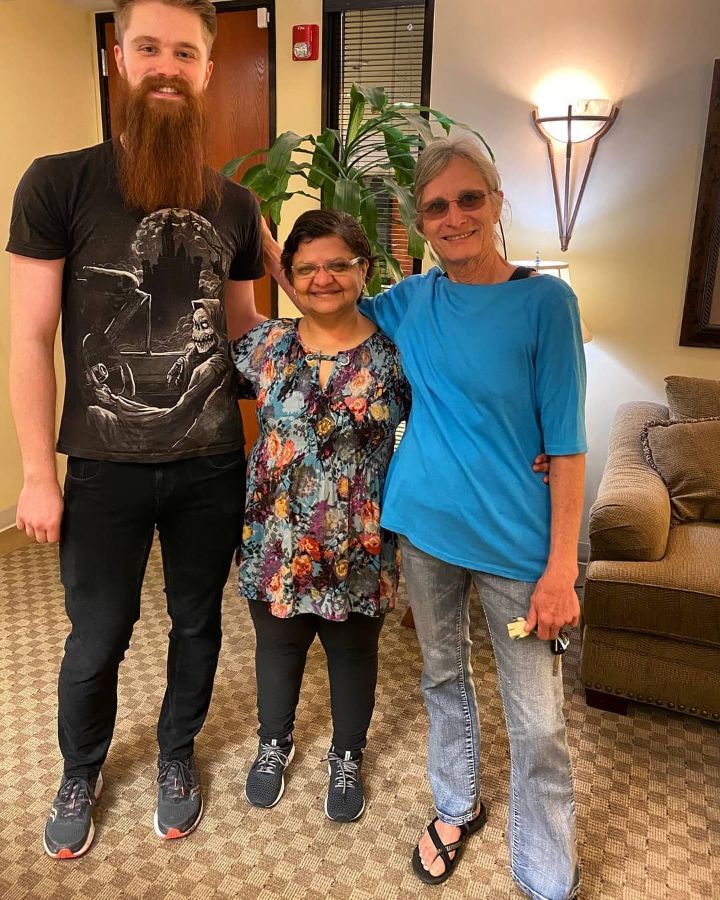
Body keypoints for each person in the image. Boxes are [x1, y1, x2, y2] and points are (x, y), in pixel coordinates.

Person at [7, 0, 264, 859]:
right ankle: (79, 770)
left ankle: (176, 758)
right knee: (97, 634)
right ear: (119, 57)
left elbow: (248, 339)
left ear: (204, 71)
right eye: (147, 46)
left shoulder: (232, 205)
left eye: (183, 52)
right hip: (102, 469)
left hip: (210, 467)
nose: (165, 65)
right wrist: (37, 474)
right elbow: (31, 337)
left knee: (197, 624)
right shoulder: (58, 181)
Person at [357, 136, 586, 899]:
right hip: (424, 527)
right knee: (441, 677)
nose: (453, 216)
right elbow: (323, 294)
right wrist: (255, 233)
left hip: (518, 548)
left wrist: (562, 570)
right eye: (436, 206)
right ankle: (456, 806)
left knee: (540, 721)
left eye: (468, 199)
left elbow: (568, 443)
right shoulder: (413, 300)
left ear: (494, 203)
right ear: (421, 222)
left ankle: (547, 871)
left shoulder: (545, 301)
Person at [230, 210, 410, 823]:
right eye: (306, 268)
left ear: (364, 269)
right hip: (275, 540)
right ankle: (273, 744)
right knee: (277, 648)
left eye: (337, 264)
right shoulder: (264, 347)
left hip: (359, 545)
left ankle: (347, 753)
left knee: (352, 653)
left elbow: (458, 415)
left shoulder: (394, 356)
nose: (322, 278)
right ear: (290, 278)